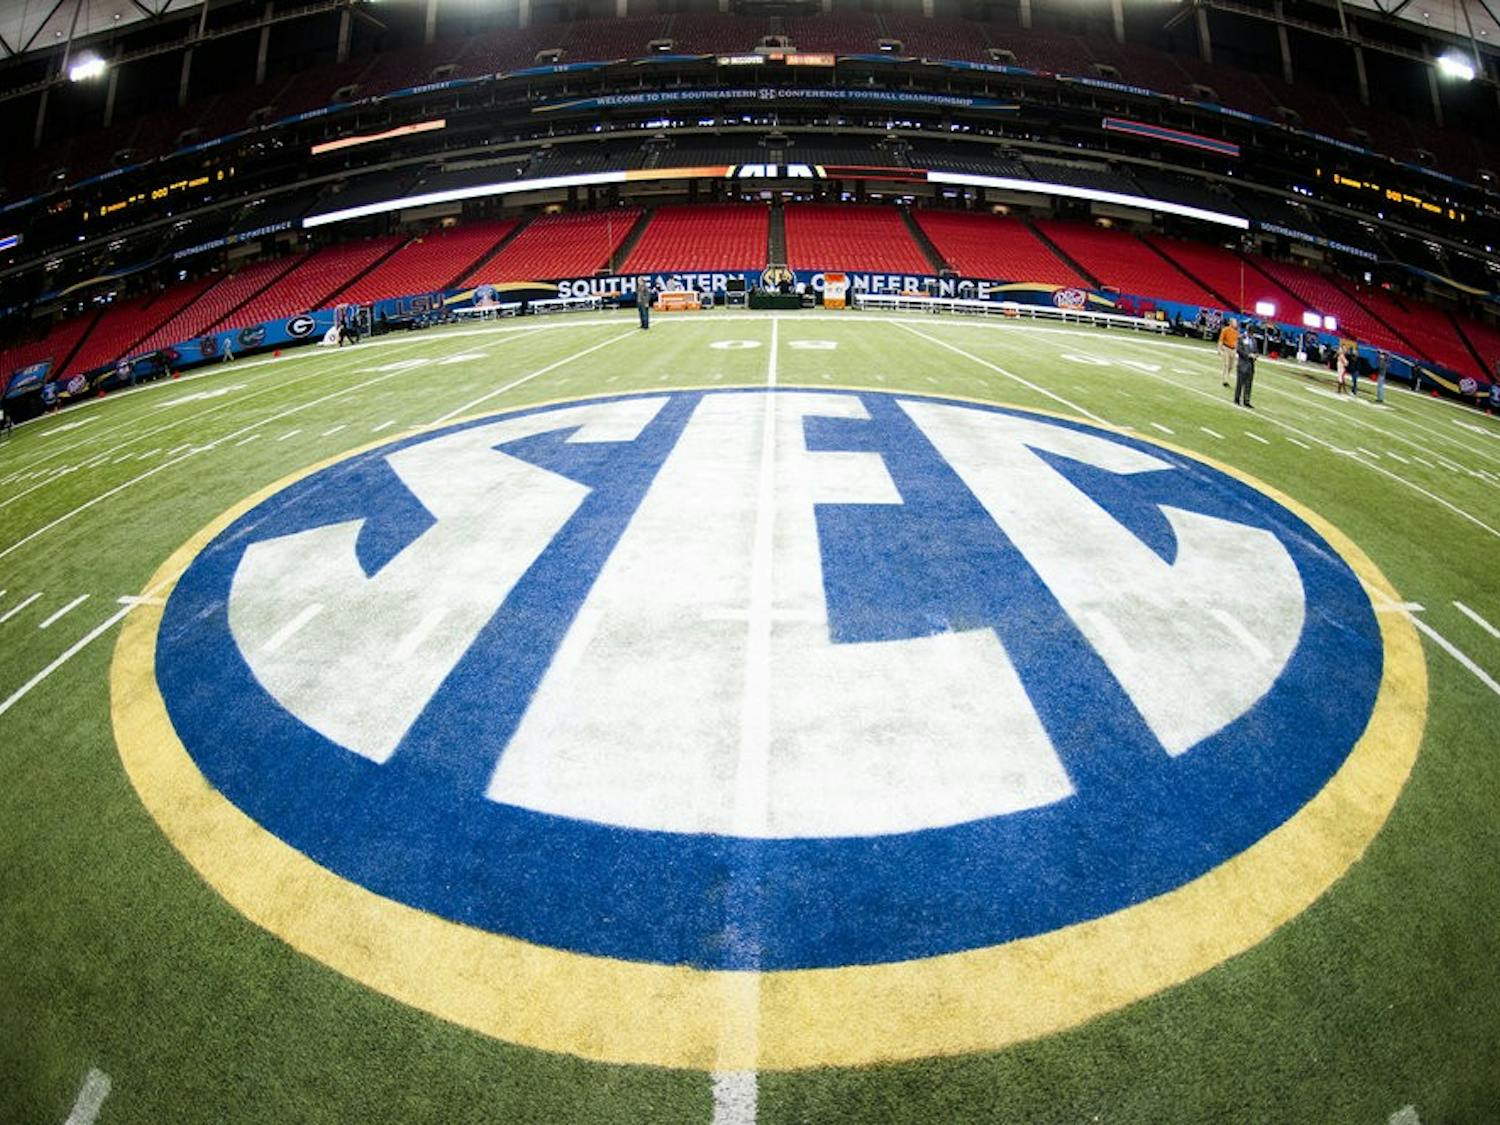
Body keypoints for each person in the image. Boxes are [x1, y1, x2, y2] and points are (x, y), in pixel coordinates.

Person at [1234, 332, 1257, 408]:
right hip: (1242, 363)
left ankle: (1246, 400)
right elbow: (1239, 350)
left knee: (1248, 384)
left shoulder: (1253, 340)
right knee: (1240, 383)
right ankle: (1237, 399)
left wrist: (1255, 355)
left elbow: (1256, 350)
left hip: (1251, 365)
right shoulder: (1241, 338)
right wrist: (1248, 355)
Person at [1217, 317, 1239, 388]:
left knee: (1231, 366)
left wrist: (1235, 350)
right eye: (1235, 322)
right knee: (1226, 364)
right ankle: (1225, 380)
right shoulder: (1225, 330)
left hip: (1232, 350)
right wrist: (1219, 349)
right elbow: (1221, 340)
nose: (1236, 324)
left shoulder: (1236, 332)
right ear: (1231, 323)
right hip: (1226, 348)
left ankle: (1227, 377)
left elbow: (1236, 342)